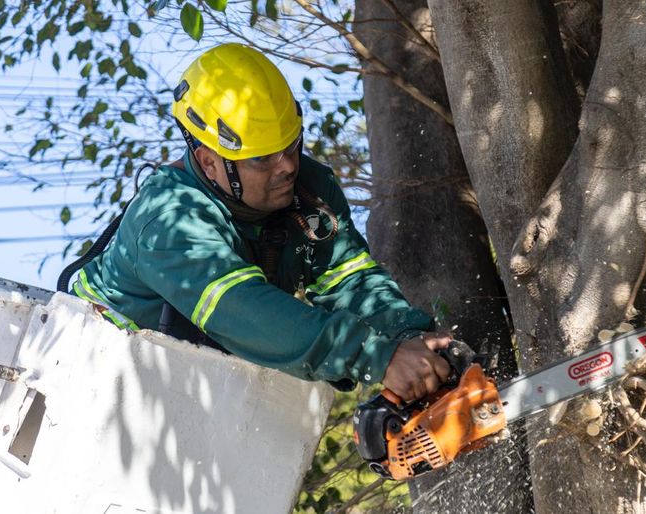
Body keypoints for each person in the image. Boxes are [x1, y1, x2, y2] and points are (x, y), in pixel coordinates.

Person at [69, 43, 450, 401]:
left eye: (290, 146)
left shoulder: (310, 191)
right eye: (261, 159)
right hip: (103, 374)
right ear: (208, 162)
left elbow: (350, 279)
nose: (286, 167)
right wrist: (376, 356)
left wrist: (408, 337)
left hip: (206, 374)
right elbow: (244, 309)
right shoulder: (169, 219)